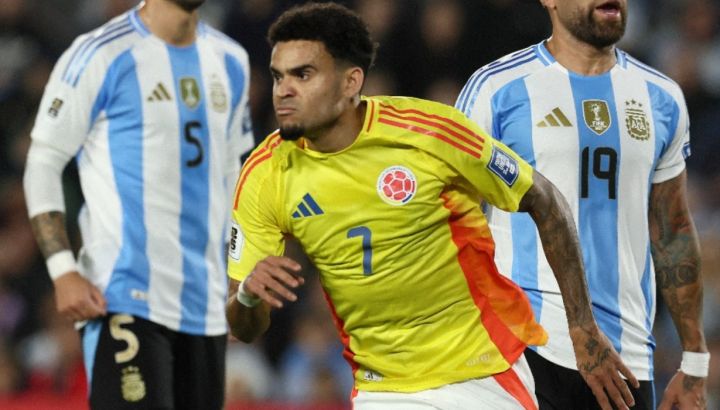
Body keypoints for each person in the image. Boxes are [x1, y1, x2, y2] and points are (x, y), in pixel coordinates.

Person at [226, 3, 638, 409]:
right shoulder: (265, 174)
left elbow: (544, 200)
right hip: (384, 388)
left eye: (303, 74)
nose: (283, 90)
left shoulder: (429, 133)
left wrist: (582, 325)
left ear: (351, 82)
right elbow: (244, 329)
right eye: (278, 76)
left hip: (481, 371)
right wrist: (247, 296)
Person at [456, 0, 709, 409]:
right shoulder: (495, 88)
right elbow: (456, 215)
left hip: (626, 359)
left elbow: (673, 229)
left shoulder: (661, 96)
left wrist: (694, 361)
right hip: (519, 348)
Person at [22, 0, 254, 408]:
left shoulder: (231, 59)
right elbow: (43, 160)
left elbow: (234, 176)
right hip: (122, 293)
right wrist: (63, 270)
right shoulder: (101, 53)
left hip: (205, 303)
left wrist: (238, 272)